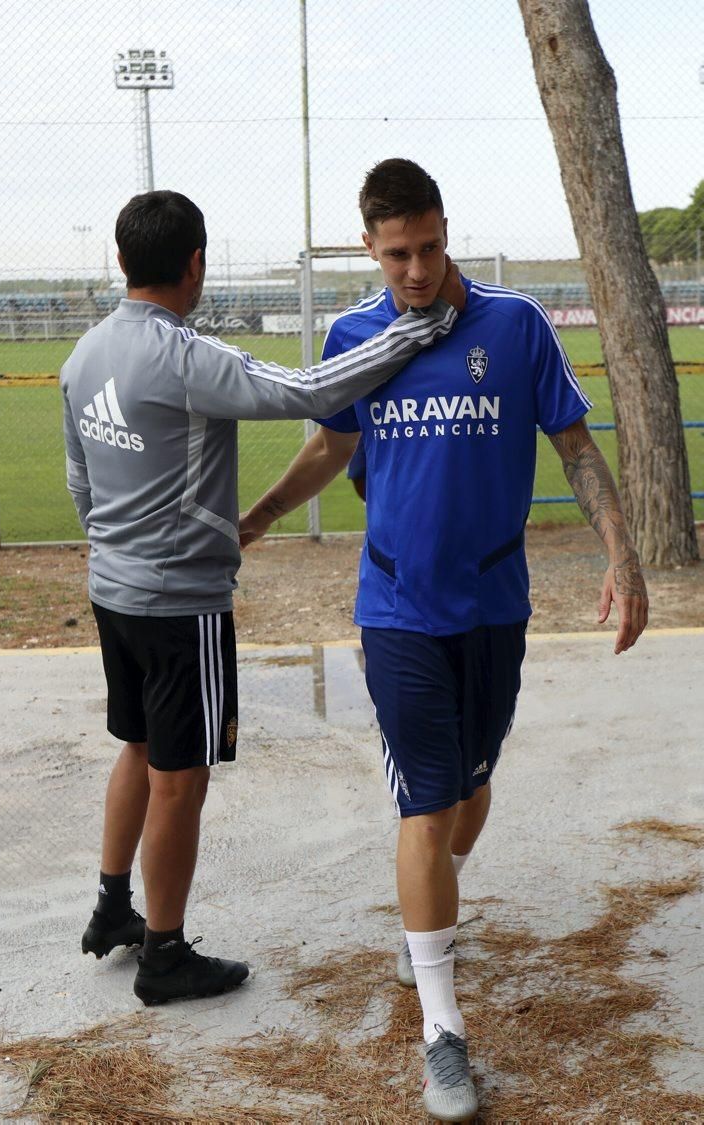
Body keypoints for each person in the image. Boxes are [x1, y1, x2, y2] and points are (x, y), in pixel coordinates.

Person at [239, 158, 649, 1120]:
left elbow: (577, 448)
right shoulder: (357, 335)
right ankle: (442, 1029)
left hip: (496, 606)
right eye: (395, 257)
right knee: (424, 804)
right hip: (398, 612)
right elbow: (331, 446)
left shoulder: (513, 327)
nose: (415, 271)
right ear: (370, 247)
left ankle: (431, 904)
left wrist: (623, 556)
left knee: (470, 789)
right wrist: (253, 520)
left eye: (427, 249)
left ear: (443, 230)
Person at [60, 188, 466, 1008]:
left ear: (120, 261)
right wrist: (413, 332)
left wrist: (122, 553)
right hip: (181, 603)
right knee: (182, 776)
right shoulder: (184, 357)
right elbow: (313, 391)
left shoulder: (84, 355)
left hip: (115, 590)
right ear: (197, 263)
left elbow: (79, 482)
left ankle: (112, 909)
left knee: (136, 747)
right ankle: (165, 955)